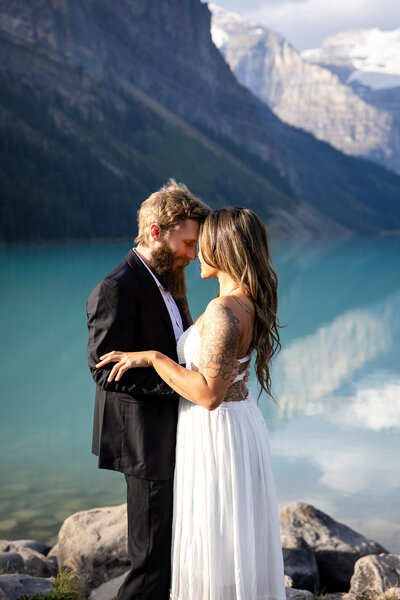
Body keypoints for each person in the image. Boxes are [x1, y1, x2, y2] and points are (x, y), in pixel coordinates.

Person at [96, 207, 287, 600]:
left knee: (213, 543)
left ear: (225, 249)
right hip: (232, 425)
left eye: (204, 245)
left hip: (217, 430)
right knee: (227, 541)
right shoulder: (243, 302)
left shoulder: (222, 310)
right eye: (191, 244)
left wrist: (152, 357)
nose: (196, 254)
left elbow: (208, 395)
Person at [86, 179, 210, 600]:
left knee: (170, 554)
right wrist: (182, 385)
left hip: (170, 437)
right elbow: (105, 370)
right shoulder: (116, 287)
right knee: (151, 563)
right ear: (156, 232)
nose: (192, 256)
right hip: (145, 442)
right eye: (187, 243)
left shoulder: (167, 280)